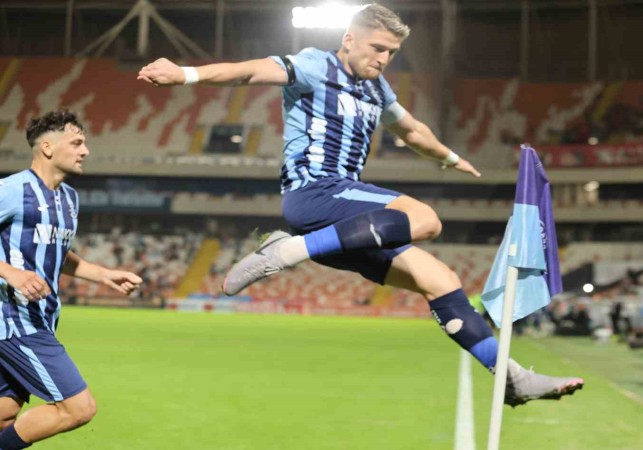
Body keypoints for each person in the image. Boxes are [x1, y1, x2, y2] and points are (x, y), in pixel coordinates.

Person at [138, 3, 583, 406]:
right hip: (315, 193)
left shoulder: (377, 89)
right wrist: (186, 74)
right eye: (377, 48)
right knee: (425, 220)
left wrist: (450, 158)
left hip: (344, 224)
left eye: (392, 53)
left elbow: (412, 131)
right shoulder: (315, 65)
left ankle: (512, 378)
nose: (384, 59)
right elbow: (249, 72)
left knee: (440, 280)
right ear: (349, 39)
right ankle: (286, 250)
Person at [0, 110, 143, 449]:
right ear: (48, 147)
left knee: (5, 414)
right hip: (15, 321)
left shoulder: (69, 199)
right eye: (77, 143)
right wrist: (10, 272)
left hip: (41, 319)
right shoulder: (11, 190)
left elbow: (56, 252)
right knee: (79, 408)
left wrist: (103, 274)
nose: (85, 151)